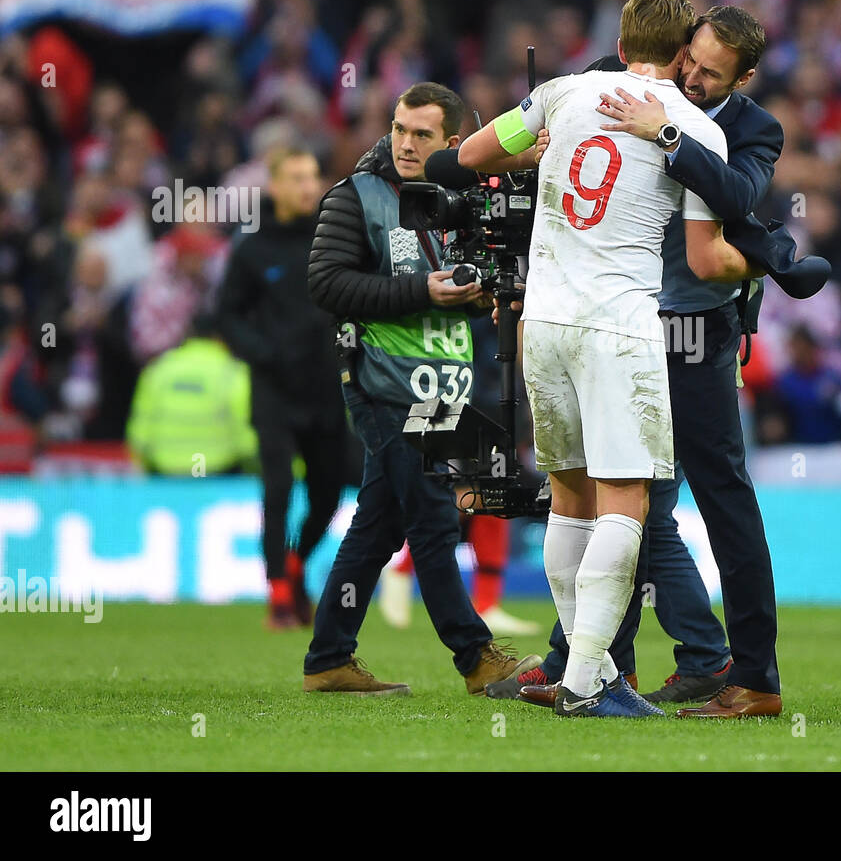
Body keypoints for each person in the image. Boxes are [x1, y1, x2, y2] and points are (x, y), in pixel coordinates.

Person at [487, 5, 828, 716]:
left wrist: (756, 262)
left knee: (718, 497)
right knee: (635, 507)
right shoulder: (614, 86)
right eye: (690, 60)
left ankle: (754, 678)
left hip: (694, 332)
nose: (694, 78)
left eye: (711, 73)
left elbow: (725, 226)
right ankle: (607, 667)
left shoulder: (752, 130)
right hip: (615, 326)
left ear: (746, 77)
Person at [301, 81, 541, 697]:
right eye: (400, 129)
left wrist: (483, 295)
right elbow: (326, 285)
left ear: (454, 143)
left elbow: (468, 287)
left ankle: (329, 657)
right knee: (434, 517)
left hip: (441, 388)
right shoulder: (354, 197)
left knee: (380, 523)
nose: (405, 144)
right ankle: (476, 656)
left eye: (422, 135)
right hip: (381, 381)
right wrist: (422, 292)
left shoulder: (461, 202)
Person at [216, 146, 347, 631]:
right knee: (277, 488)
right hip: (273, 388)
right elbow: (227, 314)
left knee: (330, 494)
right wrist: (263, 352)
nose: (307, 186)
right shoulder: (252, 247)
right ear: (274, 186)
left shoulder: (333, 239)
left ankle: (294, 564)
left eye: (312, 176)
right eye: (295, 178)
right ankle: (277, 594)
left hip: (326, 385)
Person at [125, 315, 256, 476]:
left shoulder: (158, 370)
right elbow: (247, 438)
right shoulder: (234, 373)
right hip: (216, 473)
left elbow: (138, 435)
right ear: (220, 338)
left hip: (166, 473)